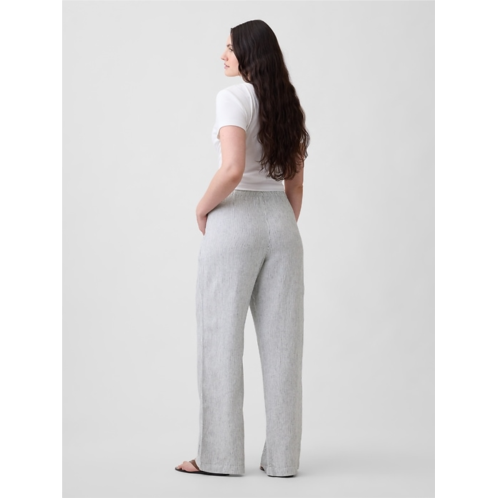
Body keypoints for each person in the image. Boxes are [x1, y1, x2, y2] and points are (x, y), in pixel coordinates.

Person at [175, 19, 310, 478]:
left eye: (230, 47)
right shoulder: (288, 103)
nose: (223, 55)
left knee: (220, 338)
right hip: (282, 225)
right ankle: (283, 461)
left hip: (234, 220)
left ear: (249, 53)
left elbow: (232, 170)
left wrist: (202, 208)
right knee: (284, 348)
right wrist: (279, 227)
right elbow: (295, 185)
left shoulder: (232, 97)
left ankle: (219, 458)